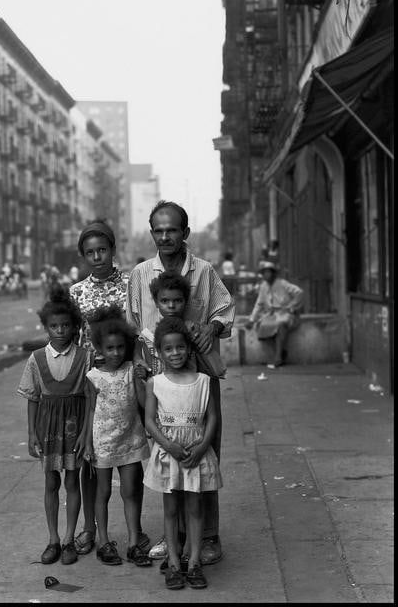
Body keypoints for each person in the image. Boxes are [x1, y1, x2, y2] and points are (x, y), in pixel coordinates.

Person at [126, 199, 235, 565]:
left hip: (200, 377)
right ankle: (174, 535)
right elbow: (132, 323)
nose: (165, 236)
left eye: (172, 229)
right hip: (159, 379)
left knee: (205, 453)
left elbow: (225, 308)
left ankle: (208, 537)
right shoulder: (141, 274)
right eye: (158, 230)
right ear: (152, 233)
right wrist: (139, 368)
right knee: (166, 453)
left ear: (185, 233)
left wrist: (212, 327)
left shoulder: (203, 271)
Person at [69, 220, 150, 557]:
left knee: (131, 451)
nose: (97, 257)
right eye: (90, 253)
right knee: (92, 457)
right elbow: (75, 338)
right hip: (91, 378)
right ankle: (91, 529)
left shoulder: (132, 283)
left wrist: (140, 368)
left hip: (127, 374)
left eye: (102, 250)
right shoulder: (77, 291)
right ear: (83, 256)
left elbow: (141, 327)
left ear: (113, 250)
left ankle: (136, 532)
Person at [144, 316, 222, 590]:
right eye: (168, 349)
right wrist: (169, 446)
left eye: (180, 347)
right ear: (159, 352)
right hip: (170, 453)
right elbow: (150, 422)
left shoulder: (203, 381)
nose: (175, 353)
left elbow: (212, 418)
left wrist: (202, 447)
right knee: (170, 509)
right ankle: (174, 563)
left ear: (188, 349)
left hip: (196, 452)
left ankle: (194, 562)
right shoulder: (155, 383)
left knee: (195, 507)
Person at [16, 287, 89, 566]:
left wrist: (85, 434)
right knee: (50, 481)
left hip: (75, 426)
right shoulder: (36, 359)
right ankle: (53, 539)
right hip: (47, 428)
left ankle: (70, 539)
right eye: (54, 326)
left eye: (66, 325)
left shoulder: (84, 357)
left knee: (72, 481)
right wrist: (31, 433)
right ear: (46, 327)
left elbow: (90, 397)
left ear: (75, 327)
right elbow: (32, 398)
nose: (60, 331)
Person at [83, 304, 152, 568]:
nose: (116, 353)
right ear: (99, 348)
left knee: (131, 490)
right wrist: (88, 443)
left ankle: (134, 542)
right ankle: (103, 541)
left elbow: (144, 402)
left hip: (131, 438)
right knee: (102, 492)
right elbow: (90, 412)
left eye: (120, 347)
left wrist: (140, 378)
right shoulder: (93, 377)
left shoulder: (131, 371)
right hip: (103, 442)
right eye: (110, 348)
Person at [135, 271, 226, 381]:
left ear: (186, 301)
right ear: (156, 302)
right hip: (162, 394)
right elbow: (152, 371)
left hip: (191, 390)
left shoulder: (193, 330)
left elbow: (217, 369)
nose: (171, 306)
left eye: (177, 300)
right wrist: (145, 374)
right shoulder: (149, 336)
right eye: (164, 301)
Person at [244, 260, 304, 369]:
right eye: (264, 273)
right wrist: (252, 319)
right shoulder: (263, 286)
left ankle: (278, 358)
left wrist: (292, 306)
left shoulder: (282, 283)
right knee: (261, 327)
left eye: (268, 272)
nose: (266, 275)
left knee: (281, 324)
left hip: (285, 313)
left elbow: (299, 292)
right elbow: (259, 304)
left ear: (273, 273)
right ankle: (281, 352)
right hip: (271, 315)